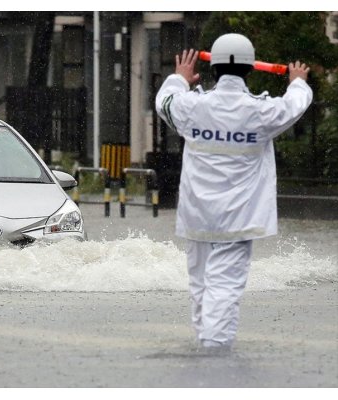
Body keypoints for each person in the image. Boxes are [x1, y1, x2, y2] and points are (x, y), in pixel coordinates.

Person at [155, 33, 313, 351]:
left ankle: (205, 343)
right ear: (251, 69)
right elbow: (295, 105)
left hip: (198, 215)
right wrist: (297, 80)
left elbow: (164, 103)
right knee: (224, 286)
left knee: (200, 284)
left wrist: (179, 78)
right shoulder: (261, 112)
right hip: (238, 217)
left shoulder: (191, 107)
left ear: (212, 68)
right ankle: (215, 354)